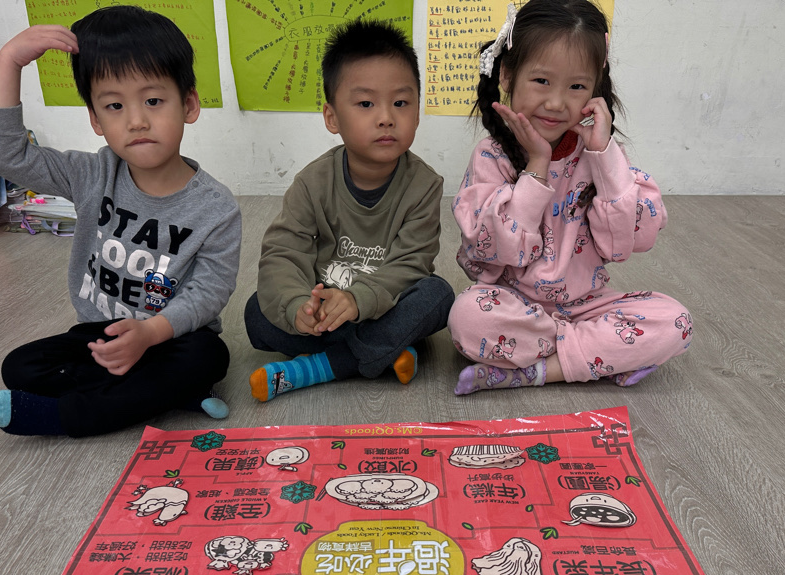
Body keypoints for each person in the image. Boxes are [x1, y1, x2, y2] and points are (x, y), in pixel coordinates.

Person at [0, 5, 240, 436]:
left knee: (208, 357)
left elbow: (209, 293)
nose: (136, 121)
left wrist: (150, 334)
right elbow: (4, 154)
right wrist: (9, 61)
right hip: (102, 333)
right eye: (115, 106)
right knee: (20, 367)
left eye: (153, 101)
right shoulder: (92, 174)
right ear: (96, 119)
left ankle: (66, 416)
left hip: (171, 337)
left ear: (189, 104)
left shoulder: (216, 207)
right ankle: (167, 394)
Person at [447, 0, 692, 395]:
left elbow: (624, 244)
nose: (556, 103)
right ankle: (599, 357)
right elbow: (499, 250)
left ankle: (535, 371)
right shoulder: (491, 157)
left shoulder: (601, 156)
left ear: (595, 89)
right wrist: (537, 167)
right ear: (507, 74)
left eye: (576, 86)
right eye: (542, 81)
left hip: (587, 306)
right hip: (513, 306)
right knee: (468, 318)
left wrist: (604, 156)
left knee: (675, 321)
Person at [244, 19, 454, 402]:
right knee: (258, 311)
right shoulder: (312, 182)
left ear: (417, 112)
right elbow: (283, 252)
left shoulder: (424, 185)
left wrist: (359, 300)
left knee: (437, 295)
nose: (386, 117)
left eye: (401, 103)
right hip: (327, 311)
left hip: (383, 304)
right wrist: (299, 307)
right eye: (366, 104)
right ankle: (384, 350)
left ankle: (327, 366)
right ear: (332, 117)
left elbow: (411, 264)